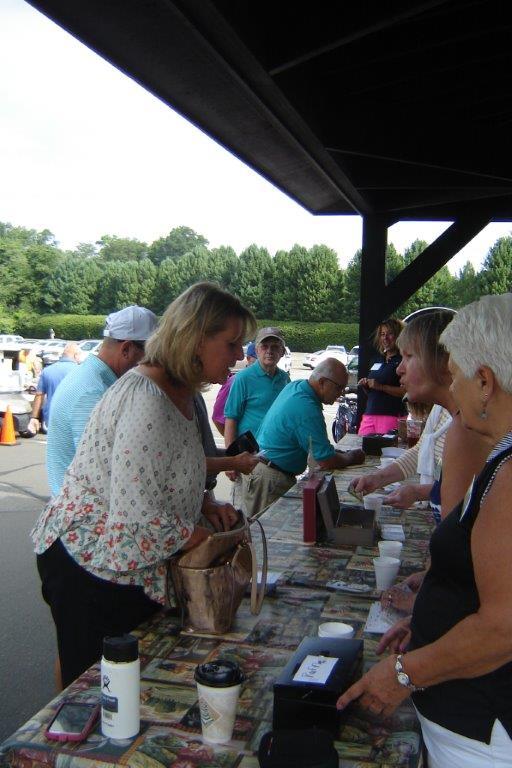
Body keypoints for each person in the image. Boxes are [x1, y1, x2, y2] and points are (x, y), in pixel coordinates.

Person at [31, 282, 256, 688]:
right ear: (196, 339)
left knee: (126, 687)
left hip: (123, 564)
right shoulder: (147, 400)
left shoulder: (182, 392)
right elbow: (137, 522)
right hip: (90, 565)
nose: (240, 354)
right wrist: (208, 539)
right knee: (96, 692)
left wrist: (205, 502)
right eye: (232, 343)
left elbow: (170, 468)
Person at [338, 294, 512, 766]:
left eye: (456, 375)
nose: (451, 388)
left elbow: (503, 628)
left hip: (482, 729)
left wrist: (403, 673)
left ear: (484, 382)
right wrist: (429, 617)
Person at [46, 305, 157, 496]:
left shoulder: (91, 378)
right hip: (85, 507)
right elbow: (101, 469)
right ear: (127, 349)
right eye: (149, 355)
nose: (151, 364)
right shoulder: (92, 392)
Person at [243, 359, 366, 516]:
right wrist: (350, 457)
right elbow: (325, 460)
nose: (341, 393)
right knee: (261, 528)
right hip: (269, 478)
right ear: (322, 382)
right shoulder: (307, 407)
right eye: (338, 387)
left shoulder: (297, 386)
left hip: (267, 470)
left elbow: (320, 450)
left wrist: (339, 454)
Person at [224, 328, 290, 506]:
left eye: (275, 347)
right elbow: (231, 419)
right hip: (248, 460)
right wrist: (230, 460)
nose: (269, 351)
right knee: (245, 514)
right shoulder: (243, 378)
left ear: (282, 352)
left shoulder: (285, 379)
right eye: (265, 346)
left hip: (275, 464)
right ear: (257, 349)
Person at [357, 318, 406, 436]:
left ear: (398, 336)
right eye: (382, 334)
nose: (385, 338)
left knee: (385, 447)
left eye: (390, 334)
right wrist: (366, 386)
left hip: (391, 415)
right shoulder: (377, 360)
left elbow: (407, 392)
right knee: (361, 445)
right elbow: (373, 392)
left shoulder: (403, 361)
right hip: (370, 414)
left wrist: (381, 387)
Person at [27, 342, 81, 434]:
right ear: (75, 355)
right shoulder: (81, 371)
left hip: (51, 417)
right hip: (74, 417)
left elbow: (39, 395)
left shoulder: (47, 371)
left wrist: (34, 417)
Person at [212, 341, 257, 435]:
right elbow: (217, 418)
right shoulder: (234, 382)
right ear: (248, 359)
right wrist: (234, 441)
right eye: (257, 358)